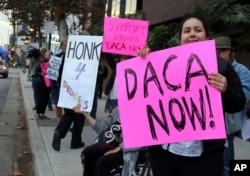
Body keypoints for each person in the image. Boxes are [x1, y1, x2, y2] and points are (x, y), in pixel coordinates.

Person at [138, 16, 246, 176]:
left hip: (205, 156)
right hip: (165, 153)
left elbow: (238, 103)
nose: (192, 34)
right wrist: (144, 60)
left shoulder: (222, 67)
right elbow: (144, 93)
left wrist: (226, 89)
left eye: (198, 30)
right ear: (181, 39)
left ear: (207, 38)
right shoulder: (162, 64)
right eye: (186, 31)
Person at [213, 36, 250, 176]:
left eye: (218, 53)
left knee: (227, 165)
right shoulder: (211, 67)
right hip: (214, 125)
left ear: (227, 52)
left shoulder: (241, 71)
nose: (215, 56)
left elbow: (243, 97)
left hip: (228, 126)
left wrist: (227, 88)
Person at [52, 39, 85, 151]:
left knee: (70, 114)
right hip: (71, 91)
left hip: (73, 90)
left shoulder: (74, 58)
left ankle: (59, 132)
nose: (67, 47)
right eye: (65, 45)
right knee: (79, 115)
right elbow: (53, 76)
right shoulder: (57, 57)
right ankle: (75, 142)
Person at [73, 104, 123, 176]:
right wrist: (85, 113)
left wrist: (117, 149)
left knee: (103, 162)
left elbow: (140, 139)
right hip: (113, 143)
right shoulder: (119, 109)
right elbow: (102, 128)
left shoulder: (142, 110)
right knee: (88, 153)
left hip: (131, 148)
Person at [34, 50, 53, 119]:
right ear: (45, 55)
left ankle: (42, 113)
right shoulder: (41, 62)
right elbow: (36, 72)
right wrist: (41, 74)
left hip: (49, 82)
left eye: (51, 55)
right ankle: (38, 113)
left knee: (46, 98)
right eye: (48, 55)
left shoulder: (53, 63)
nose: (49, 56)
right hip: (41, 82)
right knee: (41, 98)